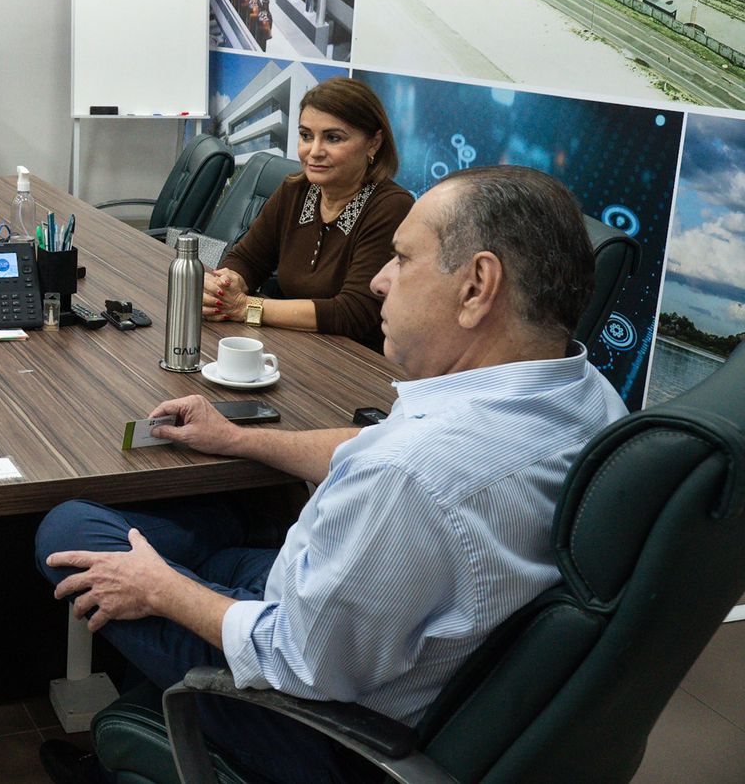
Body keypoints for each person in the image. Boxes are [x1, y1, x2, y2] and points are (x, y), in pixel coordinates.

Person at [36, 166, 627, 784]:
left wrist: (160, 590)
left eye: (401, 259)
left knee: (69, 530)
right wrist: (239, 439)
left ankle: (152, 751)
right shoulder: (586, 397)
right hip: (399, 643)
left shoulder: (412, 476)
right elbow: (380, 443)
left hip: (321, 718)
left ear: (477, 285)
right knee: (199, 529)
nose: (379, 281)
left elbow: (295, 657)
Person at [204, 77, 413, 351]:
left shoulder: (391, 207)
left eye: (333, 138)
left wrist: (247, 308)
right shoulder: (296, 190)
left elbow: (353, 312)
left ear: (373, 143)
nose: (313, 152)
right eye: (306, 136)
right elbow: (248, 259)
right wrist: (224, 286)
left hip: (357, 364)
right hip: (296, 347)